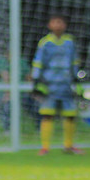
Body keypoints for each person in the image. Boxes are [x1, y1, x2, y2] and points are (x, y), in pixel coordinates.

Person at [31, 14, 83, 155]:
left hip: (66, 83)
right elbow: (38, 61)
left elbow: (74, 61)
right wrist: (36, 79)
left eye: (60, 22)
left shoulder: (70, 42)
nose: (58, 25)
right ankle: (45, 147)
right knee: (48, 114)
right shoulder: (45, 42)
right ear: (50, 25)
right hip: (50, 84)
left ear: (65, 25)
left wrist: (76, 77)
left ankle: (68, 145)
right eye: (55, 22)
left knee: (70, 114)